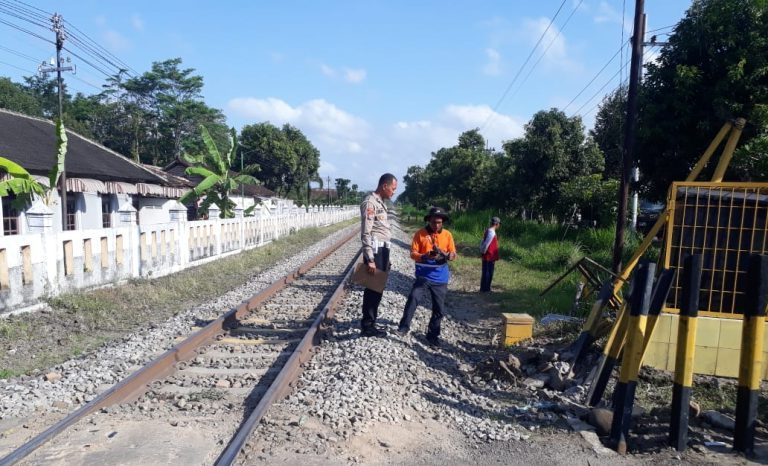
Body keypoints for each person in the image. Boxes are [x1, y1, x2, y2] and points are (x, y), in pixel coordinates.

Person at [397, 206, 457, 346]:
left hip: (440, 278)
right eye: (434, 222)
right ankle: (403, 327)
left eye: (439, 222)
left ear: (442, 222)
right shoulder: (420, 234)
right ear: (429, 220)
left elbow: (454, 254)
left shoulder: (447, 235)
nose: (436, 225)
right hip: (423, 276)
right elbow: (413, 253)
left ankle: (432, 336)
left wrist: (447, 255)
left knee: (438, 309)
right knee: (413, 298)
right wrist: (425, 256)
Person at [359, 173, 398, 337]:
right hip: (375, 251)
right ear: (384, 186)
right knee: (372, 289)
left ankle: (371, 323)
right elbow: (366, 233)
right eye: (393, 188)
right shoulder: (370, 203)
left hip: (382, 250)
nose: (394, 192)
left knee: (378, 289)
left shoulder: (380, 203)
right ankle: (367, 326)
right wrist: (370, 259)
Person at [479, 216, 501, 292]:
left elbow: (482, 241)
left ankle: (484, 288)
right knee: (488, 273)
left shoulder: (488, 231)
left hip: (488, 255)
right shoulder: (491, 232)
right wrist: (483, 251)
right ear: (497, 224)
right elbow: (486, 244)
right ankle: (486, 289)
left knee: (486, 272)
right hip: (489, 256)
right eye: (499, 224)